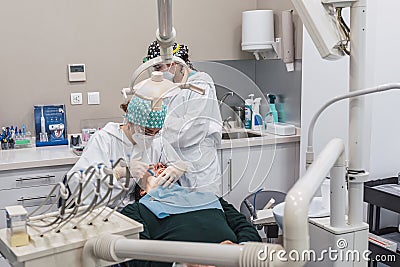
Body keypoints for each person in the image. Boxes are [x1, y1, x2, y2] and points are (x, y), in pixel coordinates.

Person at [120, 165, 262, 267]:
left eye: (164, 166)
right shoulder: (136, 210)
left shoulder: (211, 198)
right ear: (142, 192)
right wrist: (183, 263)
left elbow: (246, 228)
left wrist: (239, 251)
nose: (160, 166)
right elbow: (137, 257)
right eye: (154, 169)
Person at [144, 41, 223, 195]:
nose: (159, 73)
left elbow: (190, 130)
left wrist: (160, 123)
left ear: (175, 63)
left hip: (199, 166)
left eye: (160, 68)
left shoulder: (201, 83)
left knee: (204, 211)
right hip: (174, 165)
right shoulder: (171, 86)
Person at [66, 96, 167, 209]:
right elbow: (80, 185)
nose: (151, 137)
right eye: (147, 132)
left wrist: (172, 170)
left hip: (132, 209)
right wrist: (120, 172)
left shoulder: (154, 143)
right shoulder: (105, 139)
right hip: (101, 211)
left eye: (156, 132)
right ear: (130, 122)